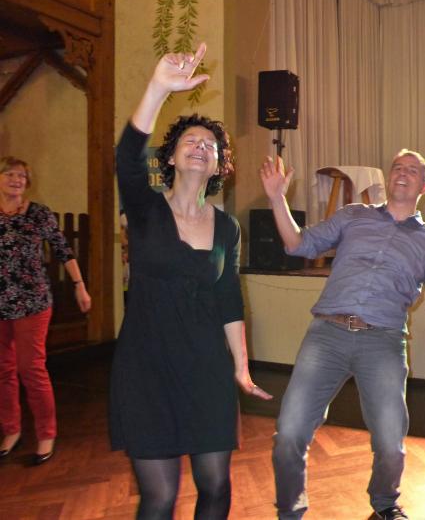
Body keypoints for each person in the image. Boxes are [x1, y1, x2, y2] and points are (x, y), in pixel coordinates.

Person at [260, 149, 425, 519]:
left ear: (423, 186)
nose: (403, 173)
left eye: (412, 170)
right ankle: (290, 511)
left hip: (383, 341)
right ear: (388, 176)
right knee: (289, 432)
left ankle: (384, 504)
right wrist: (276, 199)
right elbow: (298, 244)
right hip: (327, 334)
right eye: (397, 167)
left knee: (390, 442)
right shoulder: (353, 215)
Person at [109, 43, 271, 519]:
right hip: (145, 369)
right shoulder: (144, 210)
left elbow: (228, 299)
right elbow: (126, 156)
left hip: (206, 369)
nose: (201, 146)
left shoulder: (227, 228)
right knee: (159, 498)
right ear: (172, 158)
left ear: (219, 166)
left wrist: (241, 367)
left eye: (211, 145)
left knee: (216, 488)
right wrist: (158, 88)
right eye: (190, 141)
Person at [0, 156, 91, 466]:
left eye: (21, 176)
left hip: (33, 302)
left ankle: (46, 434)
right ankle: (11, 430)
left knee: (31, 369)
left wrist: (79, 285)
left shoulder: (38, 214)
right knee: (3, 370)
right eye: (9, 174)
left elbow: (63, 250)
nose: (16, 180)